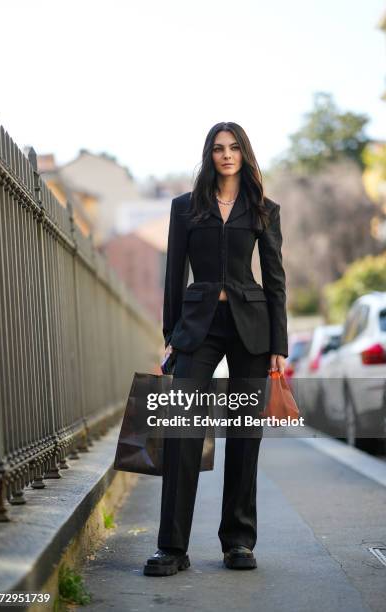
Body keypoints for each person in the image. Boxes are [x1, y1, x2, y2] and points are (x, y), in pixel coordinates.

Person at [144, 121, 288, 576]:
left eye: (234, 148)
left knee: (245, 435)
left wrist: (278, 345)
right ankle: (172, 548)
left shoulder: (263, 209)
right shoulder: (185, 208)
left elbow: (275, 279)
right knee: (182, 432)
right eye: (218, 149)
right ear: (209, 156)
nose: (226, 155)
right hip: (198, 326)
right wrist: (171, 336)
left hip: (251, 325)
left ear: (244, 154)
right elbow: (174, 275)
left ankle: (238, 543)